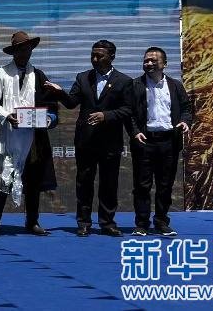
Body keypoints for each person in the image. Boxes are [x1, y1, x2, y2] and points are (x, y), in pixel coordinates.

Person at [0, 31, 69, 237]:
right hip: (10, 134)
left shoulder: (39, 76)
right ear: (13, 52)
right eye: (20, 49)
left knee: (33, 180)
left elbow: (51, 107)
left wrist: (49, 118)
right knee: (4, 177)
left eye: (27, 49)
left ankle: (32, 221)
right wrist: (7, 115)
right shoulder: (1, 73)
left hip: (34, 138)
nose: (25, 53)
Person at [60, 40, 131, 237]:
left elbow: (128, 109)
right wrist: (59, 93)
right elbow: (71, 102)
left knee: (109, 183)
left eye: (99, 56)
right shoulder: (83, 77)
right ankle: (83, 222)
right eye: (92, 55)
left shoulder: (124, 81)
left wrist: (105, 116)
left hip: (110, 141)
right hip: (86, 140)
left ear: (112, 57)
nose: (94, 59)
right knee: (84, 182)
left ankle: (107, 223)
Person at [122, 47, 193, 237]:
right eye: (146, 60)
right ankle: (141, 224)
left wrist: (185, 121)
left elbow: (186, 108)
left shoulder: (175, 85)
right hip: (145, 141)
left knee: (165, 185)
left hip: (169, 141)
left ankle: (161, 222)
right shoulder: (135, 85)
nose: (149, 63)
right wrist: (135, 132)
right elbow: (128, 113)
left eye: (153, 60)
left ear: (164, 64)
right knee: (142, 185)